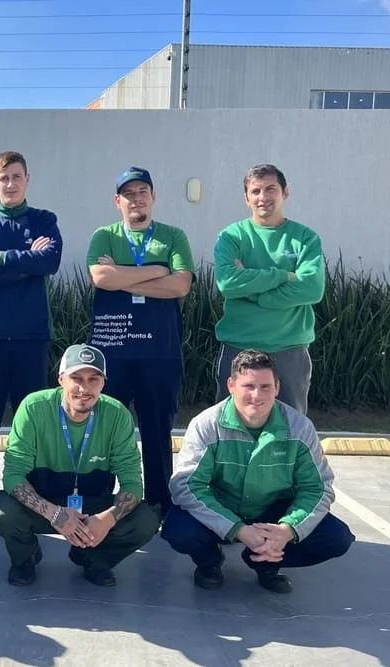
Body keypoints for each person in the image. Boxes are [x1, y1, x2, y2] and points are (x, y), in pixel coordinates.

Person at [162, 349, 354, 594]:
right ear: (231, 385)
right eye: (248, 386)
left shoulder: (299, 428)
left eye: (265, 387)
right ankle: (210, 562)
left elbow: (318, 488)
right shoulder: (206, 425)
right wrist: (237, 529)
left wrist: (287, 530)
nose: (257, 395)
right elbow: (186, 485)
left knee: (337, 538)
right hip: (223, 507)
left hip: (273, 513)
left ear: (277, 387)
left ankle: (265, 563)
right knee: (178, 529)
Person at [0, 344, 160, 588]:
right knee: (3, 511)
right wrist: (55, 514)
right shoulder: (33, 408)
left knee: (145, 520)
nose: (84, 388)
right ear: (61, 380)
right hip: (44, 500)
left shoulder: (117, 415)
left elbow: (132, 482)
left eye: (93, 379)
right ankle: (25, 558)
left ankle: (94, 558)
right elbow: (13, 475)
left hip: (92, 503)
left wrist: (107, 519)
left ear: (103, 383)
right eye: (76, 378)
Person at [0, 151, 62, 527]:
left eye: (17, 176)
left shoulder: (44, 220)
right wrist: (23, 261)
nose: (11, 183)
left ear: (27, 180)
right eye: (4, 178)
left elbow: (49, 262)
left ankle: (28, 495)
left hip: (30, 336)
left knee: (30, 420)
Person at [87, 167, 195, 516]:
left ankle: (159, 503)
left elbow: (180, 285)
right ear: (117, 201)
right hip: (112, 350)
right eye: (128, 194)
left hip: (159, 351)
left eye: (142, 192)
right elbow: (101, 278)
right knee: (104, 429)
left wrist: (122, 276)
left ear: (153, 196)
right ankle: (100, 498)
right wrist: (156, 270)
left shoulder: (173, 236)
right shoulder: (104, 235)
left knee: (156, 430)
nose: (136, 199)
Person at [213, 163, 325, 415]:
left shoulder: (305, 238)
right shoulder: (232, 236)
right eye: (255, 191)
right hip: (238, 346)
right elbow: (228, 283)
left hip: (289, 350)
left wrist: (252, 291)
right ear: (246, 198)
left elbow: (311, 289)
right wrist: (282, 276)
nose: (263, 197)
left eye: (270, 189)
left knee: (290, 425)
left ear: (285, 192)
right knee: (231, 425)